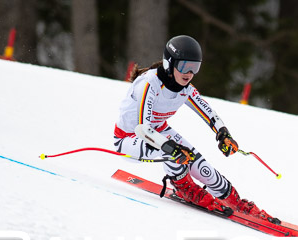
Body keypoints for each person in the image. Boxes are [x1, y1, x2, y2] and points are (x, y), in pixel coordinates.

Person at [114, 35, 276, 223]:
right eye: (184, 67)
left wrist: (223, 134)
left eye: (195, 68)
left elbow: (209, 114)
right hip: (128, 139)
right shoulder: (149, 83)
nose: (189, 73)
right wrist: (170, 147)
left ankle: (235, 202)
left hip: (159, 133)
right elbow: (143, 129)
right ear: (169, 63)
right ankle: (185, 187)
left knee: (205, 170)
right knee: (174, 152)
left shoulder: (185, 89)